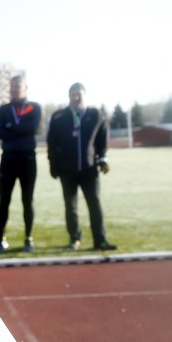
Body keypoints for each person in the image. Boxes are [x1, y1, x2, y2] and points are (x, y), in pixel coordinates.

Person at [46, 83, 117, 251]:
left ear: (85, 95)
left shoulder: (96, 115)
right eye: (73, 94)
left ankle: (100, 240)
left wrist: (102, 159)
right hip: (66, 170)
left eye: (79, 94)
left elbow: (101, 141)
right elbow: (51, 143)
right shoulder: (58, 117)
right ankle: (74, 238)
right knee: (70, 206)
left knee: (95, 204)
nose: (76, 97)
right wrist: (53, 165)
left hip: (89, 169)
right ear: (68, 96)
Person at [0, 75, 42, 252]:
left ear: (25, 88)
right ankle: (0, 239)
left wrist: (10, 128)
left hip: (28, 160)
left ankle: (28, 238)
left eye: (18, 86)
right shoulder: (3, 110)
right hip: (8, 160)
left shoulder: (34, 107)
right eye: (12, 86)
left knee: (27, 200)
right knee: (4, 200)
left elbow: (33, 128)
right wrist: (19, 130)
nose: (14, 89)